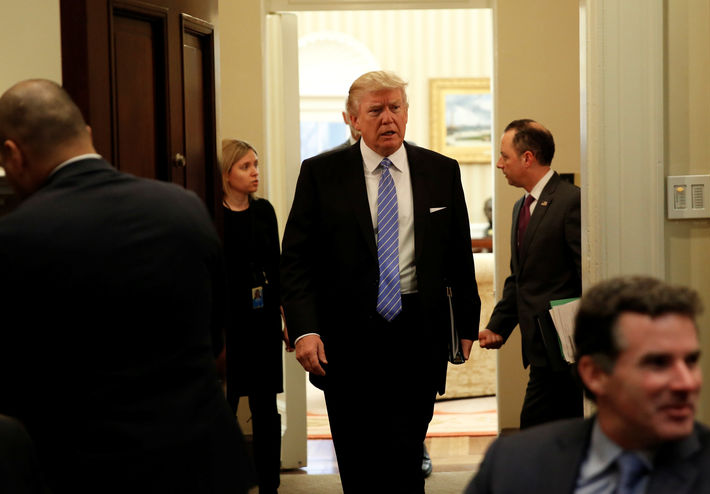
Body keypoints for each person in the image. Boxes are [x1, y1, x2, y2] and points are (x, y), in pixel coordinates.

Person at [0, 79, 254, 493]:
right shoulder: (183, 208)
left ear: (12, 154)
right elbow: (214, 342)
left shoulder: (15, 239)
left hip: (89, 468)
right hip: (202, 462)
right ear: (88, 136)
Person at [281, 70, 480, 493]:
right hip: (347, 339)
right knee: (359, 460)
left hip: (417, 333)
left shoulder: (440, 170)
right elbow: (296, 260)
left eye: (395, 108)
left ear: (406, 114)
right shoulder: (321, 174)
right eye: (375, 110)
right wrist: (305, 329)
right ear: (352, 120)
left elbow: (458, 254)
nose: (388, 118)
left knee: (407, 455)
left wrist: (465, 323)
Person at [466, 276, 710, 494]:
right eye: (657, 363)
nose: (687, 382)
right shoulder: (513, 466)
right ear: (594, 374)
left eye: (691, 361)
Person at [479, 119, 583, 429]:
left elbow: (586, 274)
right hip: (539, 348)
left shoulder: (570, 201)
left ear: (528, 158)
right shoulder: (520, 207)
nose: (500, 164)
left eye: (505, 156)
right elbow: (520, 278)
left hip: (566, 348)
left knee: (539, 430)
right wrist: (497, 326)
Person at [218, 138, 287, 493]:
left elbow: (276, 268)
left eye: (256, 164)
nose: (255, 172)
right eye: (245, 167)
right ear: (227, 174)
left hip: (262, 322)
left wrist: (286, 318)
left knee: (265, 408)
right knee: (224, 406)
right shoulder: (213, 215)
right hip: (228, 326)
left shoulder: (265, 212)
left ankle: (269, 484)